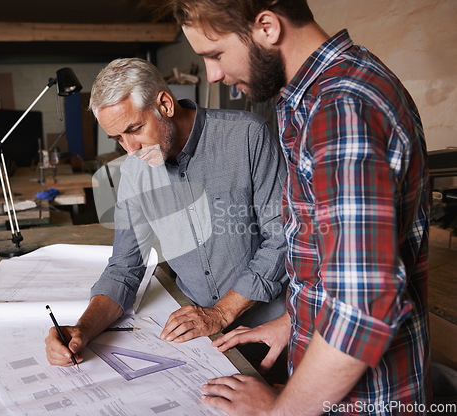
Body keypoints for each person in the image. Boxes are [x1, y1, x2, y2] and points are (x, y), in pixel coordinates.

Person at [168, 0, 430, 415]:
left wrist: (278, 411)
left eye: (215, 54)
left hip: (365, 400)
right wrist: (296, 320)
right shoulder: (316, 96)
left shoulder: (340, 110)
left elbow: (360, 312)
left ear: (268, 27)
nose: (214, 74)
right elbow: (342, 259)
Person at [45, 58, 289, 372]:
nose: (130, 150)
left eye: (134, 129)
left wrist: (220, 313)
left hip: (270, 331)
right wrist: (83, 329)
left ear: (165, 104)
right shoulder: (135, 173)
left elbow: (282, 239)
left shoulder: (246, 136)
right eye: (118, 138)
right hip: (200, 343)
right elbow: (124, 268)